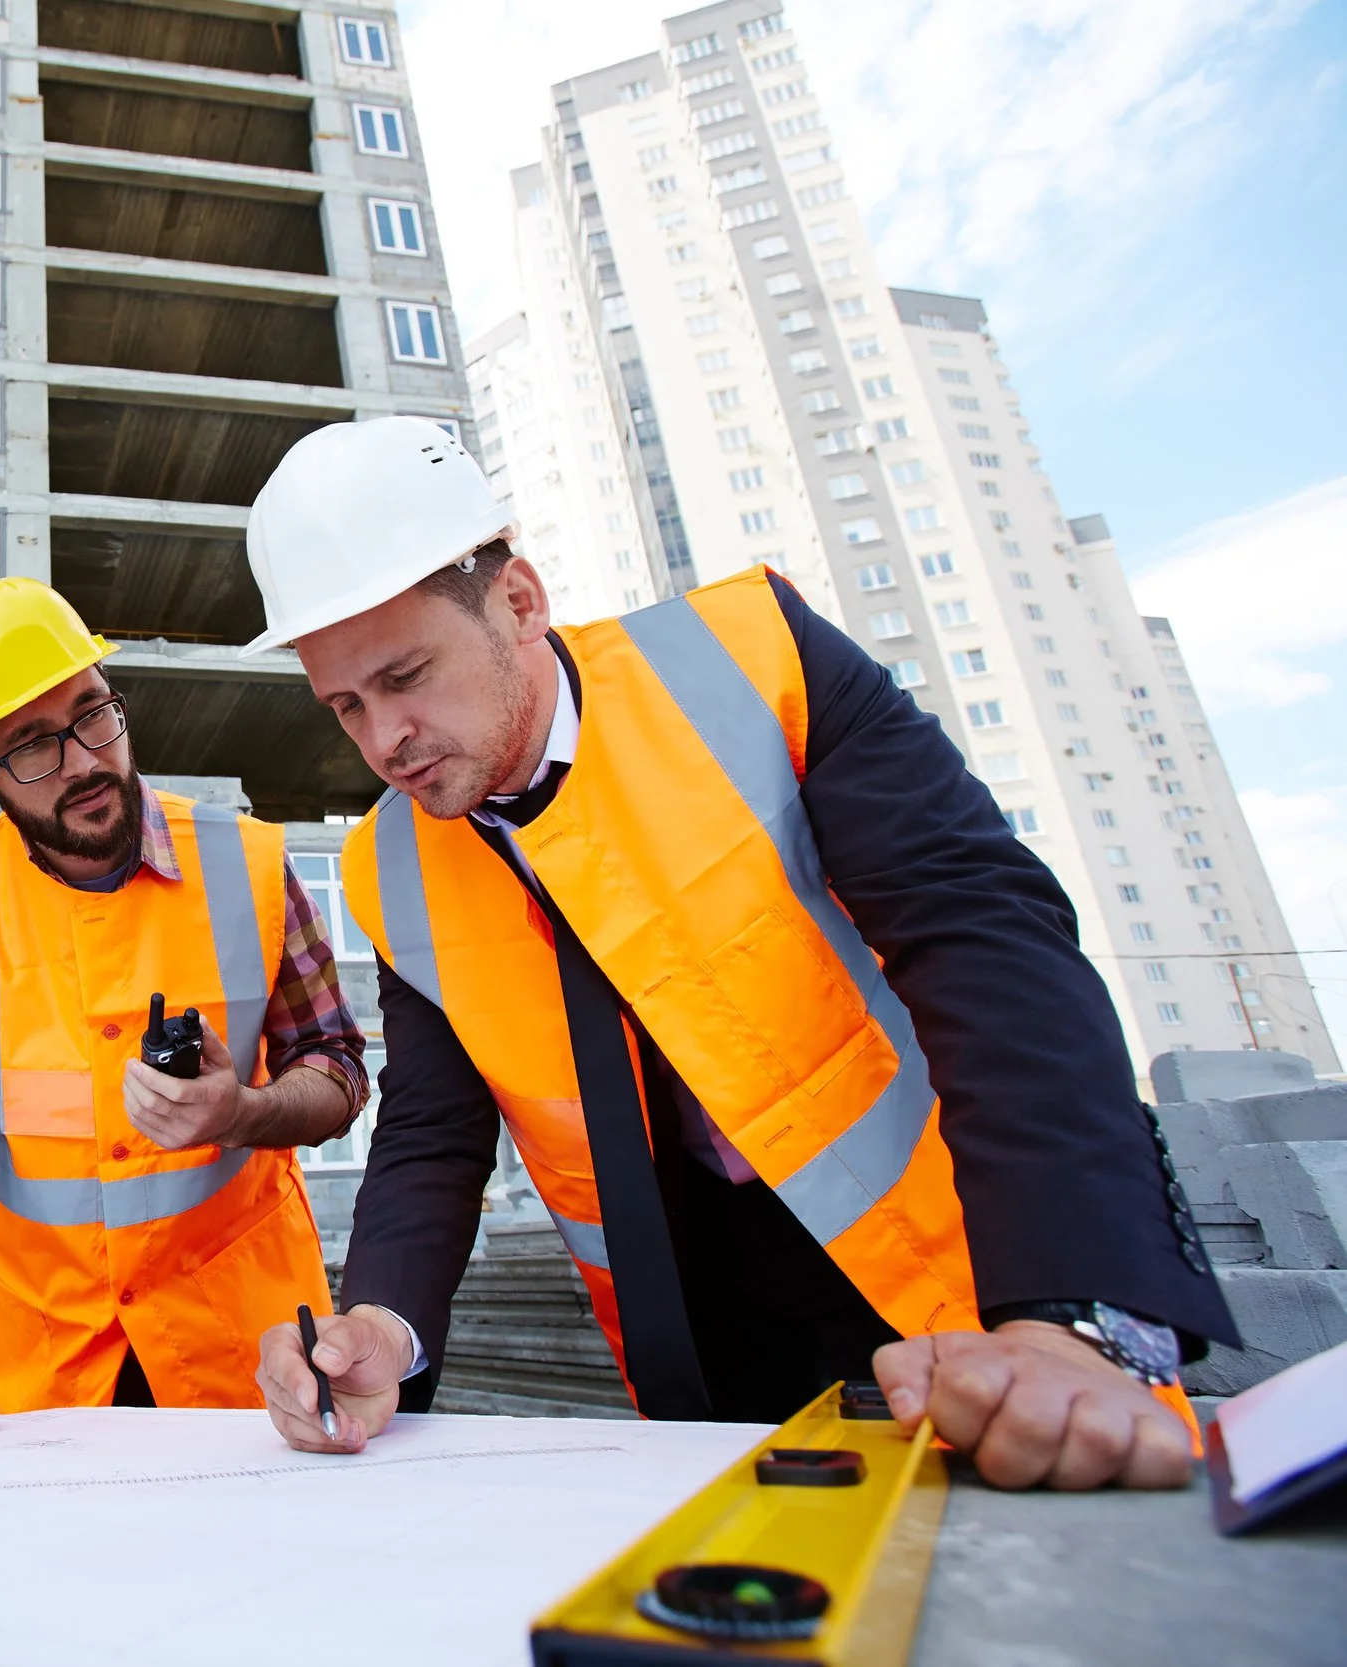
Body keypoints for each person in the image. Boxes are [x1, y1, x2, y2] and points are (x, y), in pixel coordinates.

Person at [243, 417, 1237, 1490]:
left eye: (406, 676)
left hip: (964, 1285)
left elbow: (983, 939)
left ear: (519, 603)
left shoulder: (754, 660)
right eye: (345, 704)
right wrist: (384, 1323)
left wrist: (1067, 1307)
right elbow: (433, 1131)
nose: (384, 737)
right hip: (697, 1345)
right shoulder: (391, 863)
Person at [0, 577, 369, 1448]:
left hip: (256, 1365)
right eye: (32, 746)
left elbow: (337, 1069)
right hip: (59, 1375)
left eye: (92, 714)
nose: (84, 761)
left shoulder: (251, 865)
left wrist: (246, 1111)